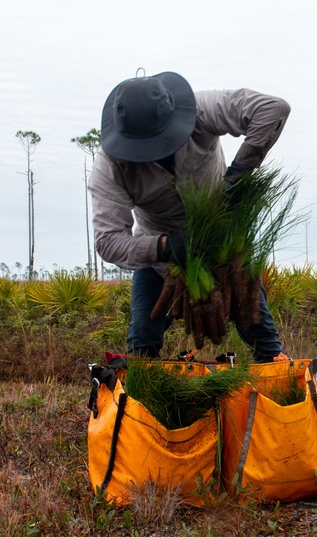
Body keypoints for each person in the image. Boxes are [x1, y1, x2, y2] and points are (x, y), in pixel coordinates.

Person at [89, 70, 291, 362]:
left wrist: (237, 177)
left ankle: (282, 380)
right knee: (143, 343)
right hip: (161, 262)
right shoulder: (110, 166)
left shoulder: (200, 110)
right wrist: (166, 247)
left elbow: (273, 109)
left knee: (263, 337)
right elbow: (108, 242)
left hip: (224, 251)